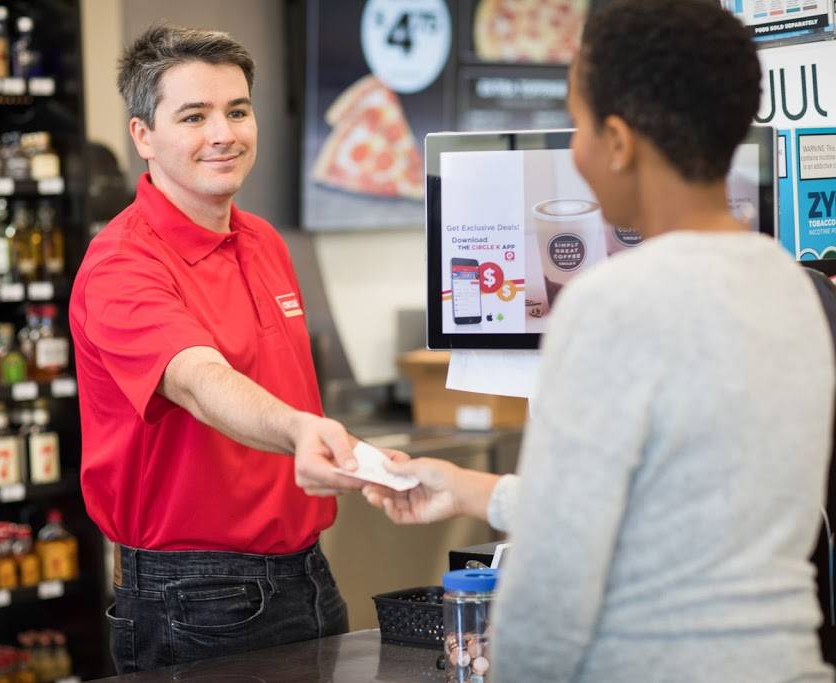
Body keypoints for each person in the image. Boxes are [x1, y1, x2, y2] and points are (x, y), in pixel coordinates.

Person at [364, 0, 836, 680]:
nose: (573, 148)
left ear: (617, 141)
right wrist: (475, 490)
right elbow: (676, 515)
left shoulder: (611, 305)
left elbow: (551, 589)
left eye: (579, 124)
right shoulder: (797, 290)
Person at [69, 24, 373, 673]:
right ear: (142, 136)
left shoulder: (263, 240)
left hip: (307, 570)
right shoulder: (123, 265)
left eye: (237, 110)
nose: (224, 133)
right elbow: (199, 378)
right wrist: (298, 430)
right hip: (196, 597)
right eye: (194, 115)